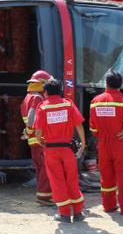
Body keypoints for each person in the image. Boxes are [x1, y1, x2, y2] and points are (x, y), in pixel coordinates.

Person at [34, 78, 86, 223]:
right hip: (68, 149)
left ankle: (64, 214)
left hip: (51, 150)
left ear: (45, 93)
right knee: (72, 179)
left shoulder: (42, 107)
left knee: (57, 181)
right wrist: (83, 144)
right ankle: (77, 212)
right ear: (59, 90)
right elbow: (79, 125)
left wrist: (41, 141)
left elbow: (38, 132)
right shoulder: (68, 104)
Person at [89, 71, 123, 215]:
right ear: (120, 84)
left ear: (106, 83)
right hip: (120, 142)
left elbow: (92, 126)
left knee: (106, 176)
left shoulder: (95, 101)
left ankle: (109, 205)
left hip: (103, 143)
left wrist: (100, 135)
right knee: (122, 177)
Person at [20, 70, 53, 205]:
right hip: (39, 139)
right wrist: (29, 130)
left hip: (33, 140)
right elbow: (32, 116)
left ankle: (42, 193)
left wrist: (28, 132)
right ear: (42, 84)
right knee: (46, 167)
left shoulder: (27, 98)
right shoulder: (37, 98)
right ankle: (44, 197)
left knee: (40, 168)